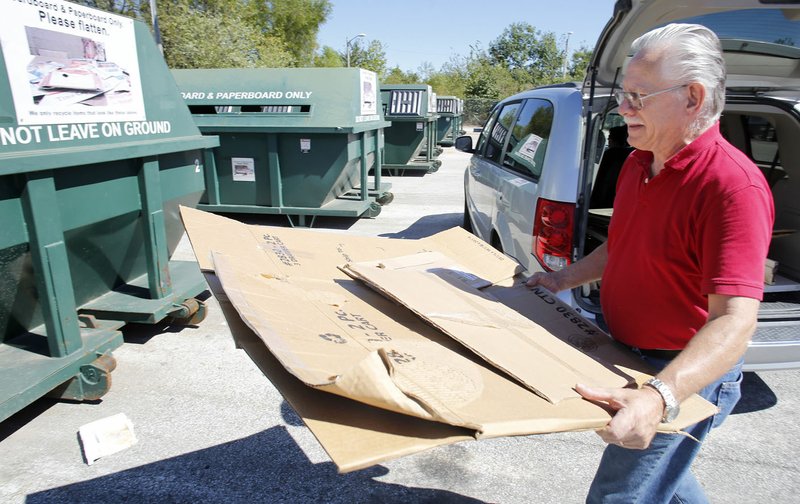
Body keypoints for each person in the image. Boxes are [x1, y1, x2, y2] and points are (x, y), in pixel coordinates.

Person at [526, 24, 774, 503]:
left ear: (693, 97)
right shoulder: (640, 162)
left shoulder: (731, 187)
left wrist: (660, 396)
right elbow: (620, 246)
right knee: (668, 481)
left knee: (619, 495)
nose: (623, 108)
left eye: (638, 96)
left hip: (685, 375)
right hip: (627, 355)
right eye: (624, 94)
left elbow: (735, 321)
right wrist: (558, 279)